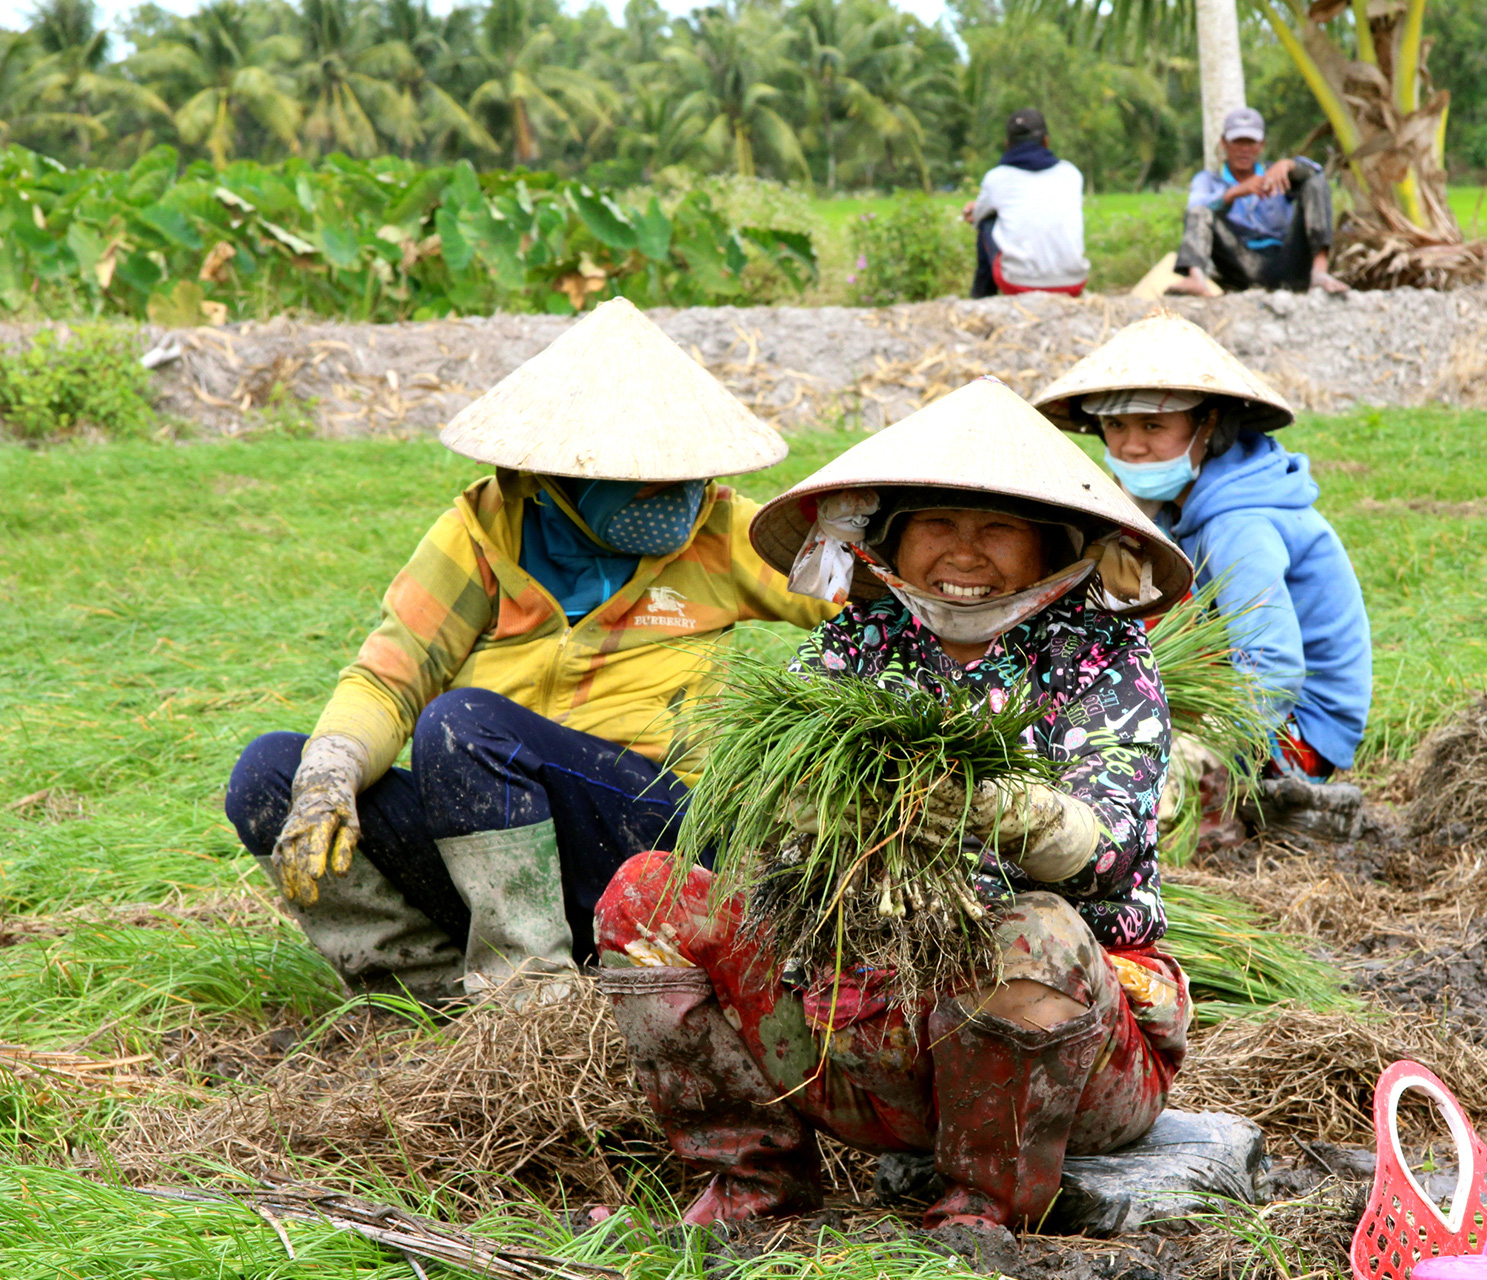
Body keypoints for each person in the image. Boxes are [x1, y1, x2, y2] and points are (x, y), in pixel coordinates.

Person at [593, 376, 1196, 1230]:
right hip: (856, 1032)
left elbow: (1106, 851)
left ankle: (983, 1209)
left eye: (996, 529)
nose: (963, 551)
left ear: (1054, 547)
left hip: (1067, 1060)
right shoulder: (853, 648)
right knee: (646, 897)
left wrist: (991, 806)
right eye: (937, 526)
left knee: (1036, 934)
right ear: (892, 540)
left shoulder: (1102, 665)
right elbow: (762, 817)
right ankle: (753, 1182)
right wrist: (808, 811)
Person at [224, 298, 838, 1007]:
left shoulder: (721, 532)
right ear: (557, 480)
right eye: (643, 475)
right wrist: (329, 774)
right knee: (271, 772)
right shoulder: (482, 535)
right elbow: (389, 680)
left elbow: (867, 602)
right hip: (490, 840)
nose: (674, 495)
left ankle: (531, 1004)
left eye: (686, 473)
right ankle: (424, 989)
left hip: (653, 837)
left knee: (463, 727)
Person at [1034, 310, 1371, 841]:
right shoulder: (1178, 500)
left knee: (1130, 796)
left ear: (1207, 424)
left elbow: (1275, 669)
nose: (1130, 446)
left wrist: (1195, 752)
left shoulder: (1239, 526)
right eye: (1116, 426)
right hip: (1241, 690)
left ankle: (1251, 801)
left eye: (1153, 426)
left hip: (1297, 730)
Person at [1167, 106, 1348, 297]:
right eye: (1238, 142)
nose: (1244, 149)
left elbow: (1316, 173)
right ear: (1224, 143)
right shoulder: (1209, 180)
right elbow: (1196, 205)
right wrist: (1236, 192)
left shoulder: (1279, 176)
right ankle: (1196, 279)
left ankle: (1320, 272)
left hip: (1286, 259)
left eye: (1251, 142)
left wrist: (1291, 165)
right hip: (1239, 263)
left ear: (1261, 145)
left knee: (1315, 182)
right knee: (1199, 211)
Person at [964, 108, 1091, 299]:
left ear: (1007, 144)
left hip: (1018, 284)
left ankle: (982, 297)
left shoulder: (997, 178)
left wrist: (973, 213)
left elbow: (977, 216)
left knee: (987, 222)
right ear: (1046, 141)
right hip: (1073, 282)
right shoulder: (1071, 174)